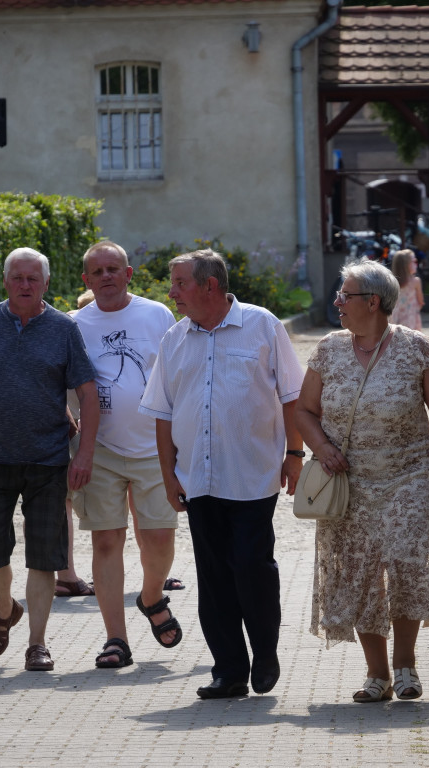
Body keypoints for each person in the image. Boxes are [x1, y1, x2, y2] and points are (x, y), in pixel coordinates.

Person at [294, 259, 429, 703]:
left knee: (404, 558)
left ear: (372, 302)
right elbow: (303, 410)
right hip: (348, 480)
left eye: (345, 295)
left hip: (408, 474)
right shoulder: (328, 349)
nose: (337, 301)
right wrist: (320, 447)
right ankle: (376, 674)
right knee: (358, 571)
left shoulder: (416, 348)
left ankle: (405, 666)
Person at [139, 249, 305, 700]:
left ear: (208, 285)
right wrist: (169, 474)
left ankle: (264, 652)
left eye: (178, 283)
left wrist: (295, 452)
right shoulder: (174, 339)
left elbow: (292, 394)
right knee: (213, 577)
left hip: (252, 474)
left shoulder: (262, 325)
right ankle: (229, 670)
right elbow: (162, 412)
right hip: (198, 477)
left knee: (252, 568)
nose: (172, 292)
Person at [0, 247, 99, 672]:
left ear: (46, 283)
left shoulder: (63, 329)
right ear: (5, 281)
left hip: (48, 462)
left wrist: (83, 453)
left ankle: (37, 644)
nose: (25, 285)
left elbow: (87, 393)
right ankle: (5, 608)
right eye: (17, 277)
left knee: (44, 556)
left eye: (33, 278)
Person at [72, 240, 181, 669]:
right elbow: (61, 383)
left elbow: (176, 376)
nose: (106, 277)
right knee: (106, 540)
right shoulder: (74, 324)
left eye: (113, 269)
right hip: (99, 449)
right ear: (86, 280)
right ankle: (115, 639)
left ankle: (151, 595)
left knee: (159, 539)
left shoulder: (157, 314)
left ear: (129, 273)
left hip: (155, 448)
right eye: (97, 272)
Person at [56, 289, 98, 598]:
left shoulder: (65, 326)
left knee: (64, 503)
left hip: (68, 427)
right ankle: (66, 576)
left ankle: (66, 574)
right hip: (70, 429)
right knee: (65, 502)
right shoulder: (73, 328)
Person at [389, 249, 423, 330]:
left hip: (394, 319)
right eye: (414, 261)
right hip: (411, 319)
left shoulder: (391, 282)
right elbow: (420, 302)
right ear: (406, 265)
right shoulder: (415, 282)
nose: (416, 263)